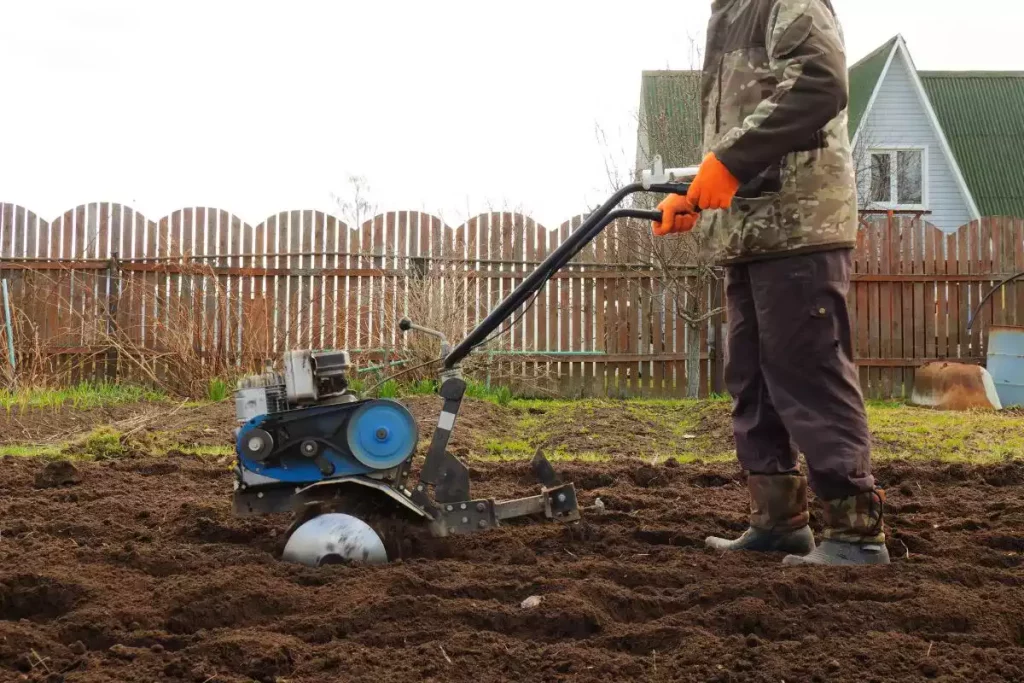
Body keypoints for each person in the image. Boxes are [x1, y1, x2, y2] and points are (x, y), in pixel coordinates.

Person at [652, 0, 888, 566]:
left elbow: (820, 84)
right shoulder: (729, 14)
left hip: (801, 225)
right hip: (749, 230)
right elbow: (746, 120)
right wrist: (693, 195)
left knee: (808, 372)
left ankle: (855, 531)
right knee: (752, 381)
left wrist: (730, 160)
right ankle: (778, 520)